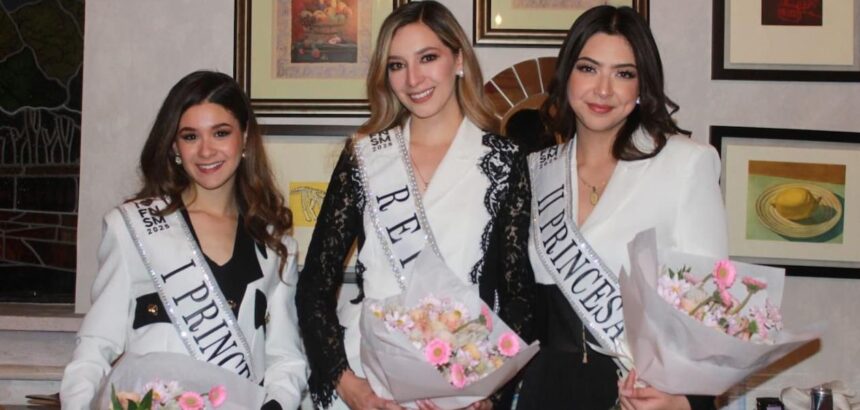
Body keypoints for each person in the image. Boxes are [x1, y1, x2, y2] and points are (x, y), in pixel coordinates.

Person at [295, 2, 534, 409]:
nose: (413, 79)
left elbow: (520, 296)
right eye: (396, 65)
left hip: (461, 384)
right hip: (370, 384)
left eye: (428, 58)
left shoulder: (504, 159)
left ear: (458, 59)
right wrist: (346, 383)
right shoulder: (365, 157)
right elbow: (315, 283)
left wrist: (489, 392)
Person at [516, 6, 727, 410]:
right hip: (547, 391)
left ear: (642, 87)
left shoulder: (685, 164)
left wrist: (685, 401)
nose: (603, 90)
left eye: (623, 74)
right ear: (567, 76)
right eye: (589, 68)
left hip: (639, 395)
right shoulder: (536, 172)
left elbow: (711, 309)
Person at [60, 71, 307, 410]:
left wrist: (277, 404)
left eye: (221, 133)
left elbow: (285, 358)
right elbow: (96, 344)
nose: (206, 151)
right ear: (175, 146)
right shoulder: (133, 228)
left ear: (245, 139)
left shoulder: (275, 245)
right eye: (190, 136)